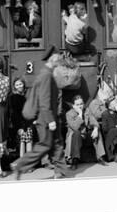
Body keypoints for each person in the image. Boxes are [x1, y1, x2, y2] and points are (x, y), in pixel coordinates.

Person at [11, 47, 70, 179]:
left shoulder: (47, 74)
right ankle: (20, 164)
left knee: (57, 143)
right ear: (53, 58)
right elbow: (44, 100)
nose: (60, 59)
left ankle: (60, 172)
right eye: (58, 57)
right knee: (45, 145)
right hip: (46, 119)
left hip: (50, 117)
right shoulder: (46, 76)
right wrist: (51, 120)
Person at [8, 77, 34, 158]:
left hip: (27, 122)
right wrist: (19, 127)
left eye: (20, 84)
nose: (19, 86)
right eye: (17, 85)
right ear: (14, 86)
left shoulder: (24, 96)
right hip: (21, 123)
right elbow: (15, 113)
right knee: (24, 142)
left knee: (27, 141)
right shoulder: (14, 97)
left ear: (23, 84)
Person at [65, 95, 88, 170]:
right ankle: (75, 160)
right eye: (77, 105)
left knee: (97, 131)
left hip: (84, 135)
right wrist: (80, 114)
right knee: (77, 133)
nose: (80, 106)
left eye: (81, 104)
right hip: (73, 136)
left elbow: (93, 120)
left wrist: (96, 127)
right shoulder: (69, 114)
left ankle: (101, 157)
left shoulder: (87, 111)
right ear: (73, 106)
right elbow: (75, 127)